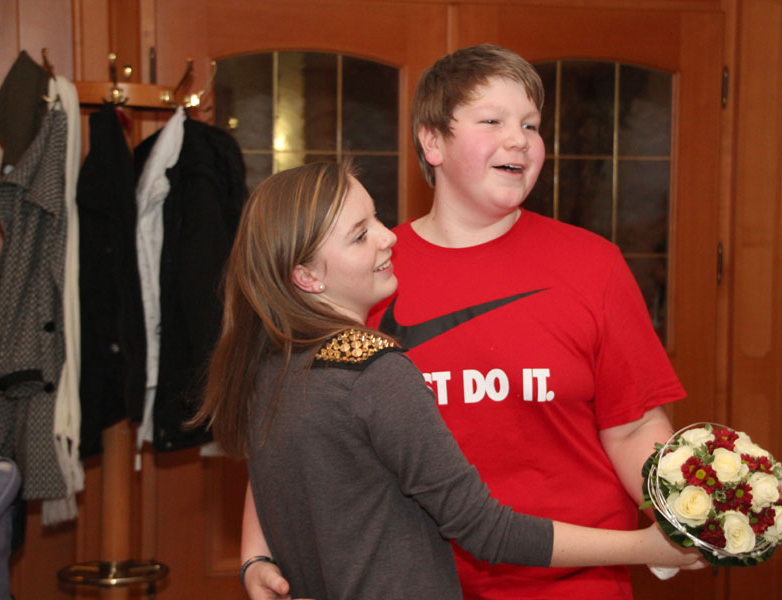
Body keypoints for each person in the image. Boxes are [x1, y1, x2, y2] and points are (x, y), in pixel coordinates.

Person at [242, 44, 696, 599]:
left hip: (576, 583)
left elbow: (634, 427)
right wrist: (256, 551)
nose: (519, 139)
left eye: (531, 124)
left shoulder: (594, 265)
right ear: (432, 141)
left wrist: (690, 521)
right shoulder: (368, 270)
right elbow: (294, 425)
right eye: (492, 121)